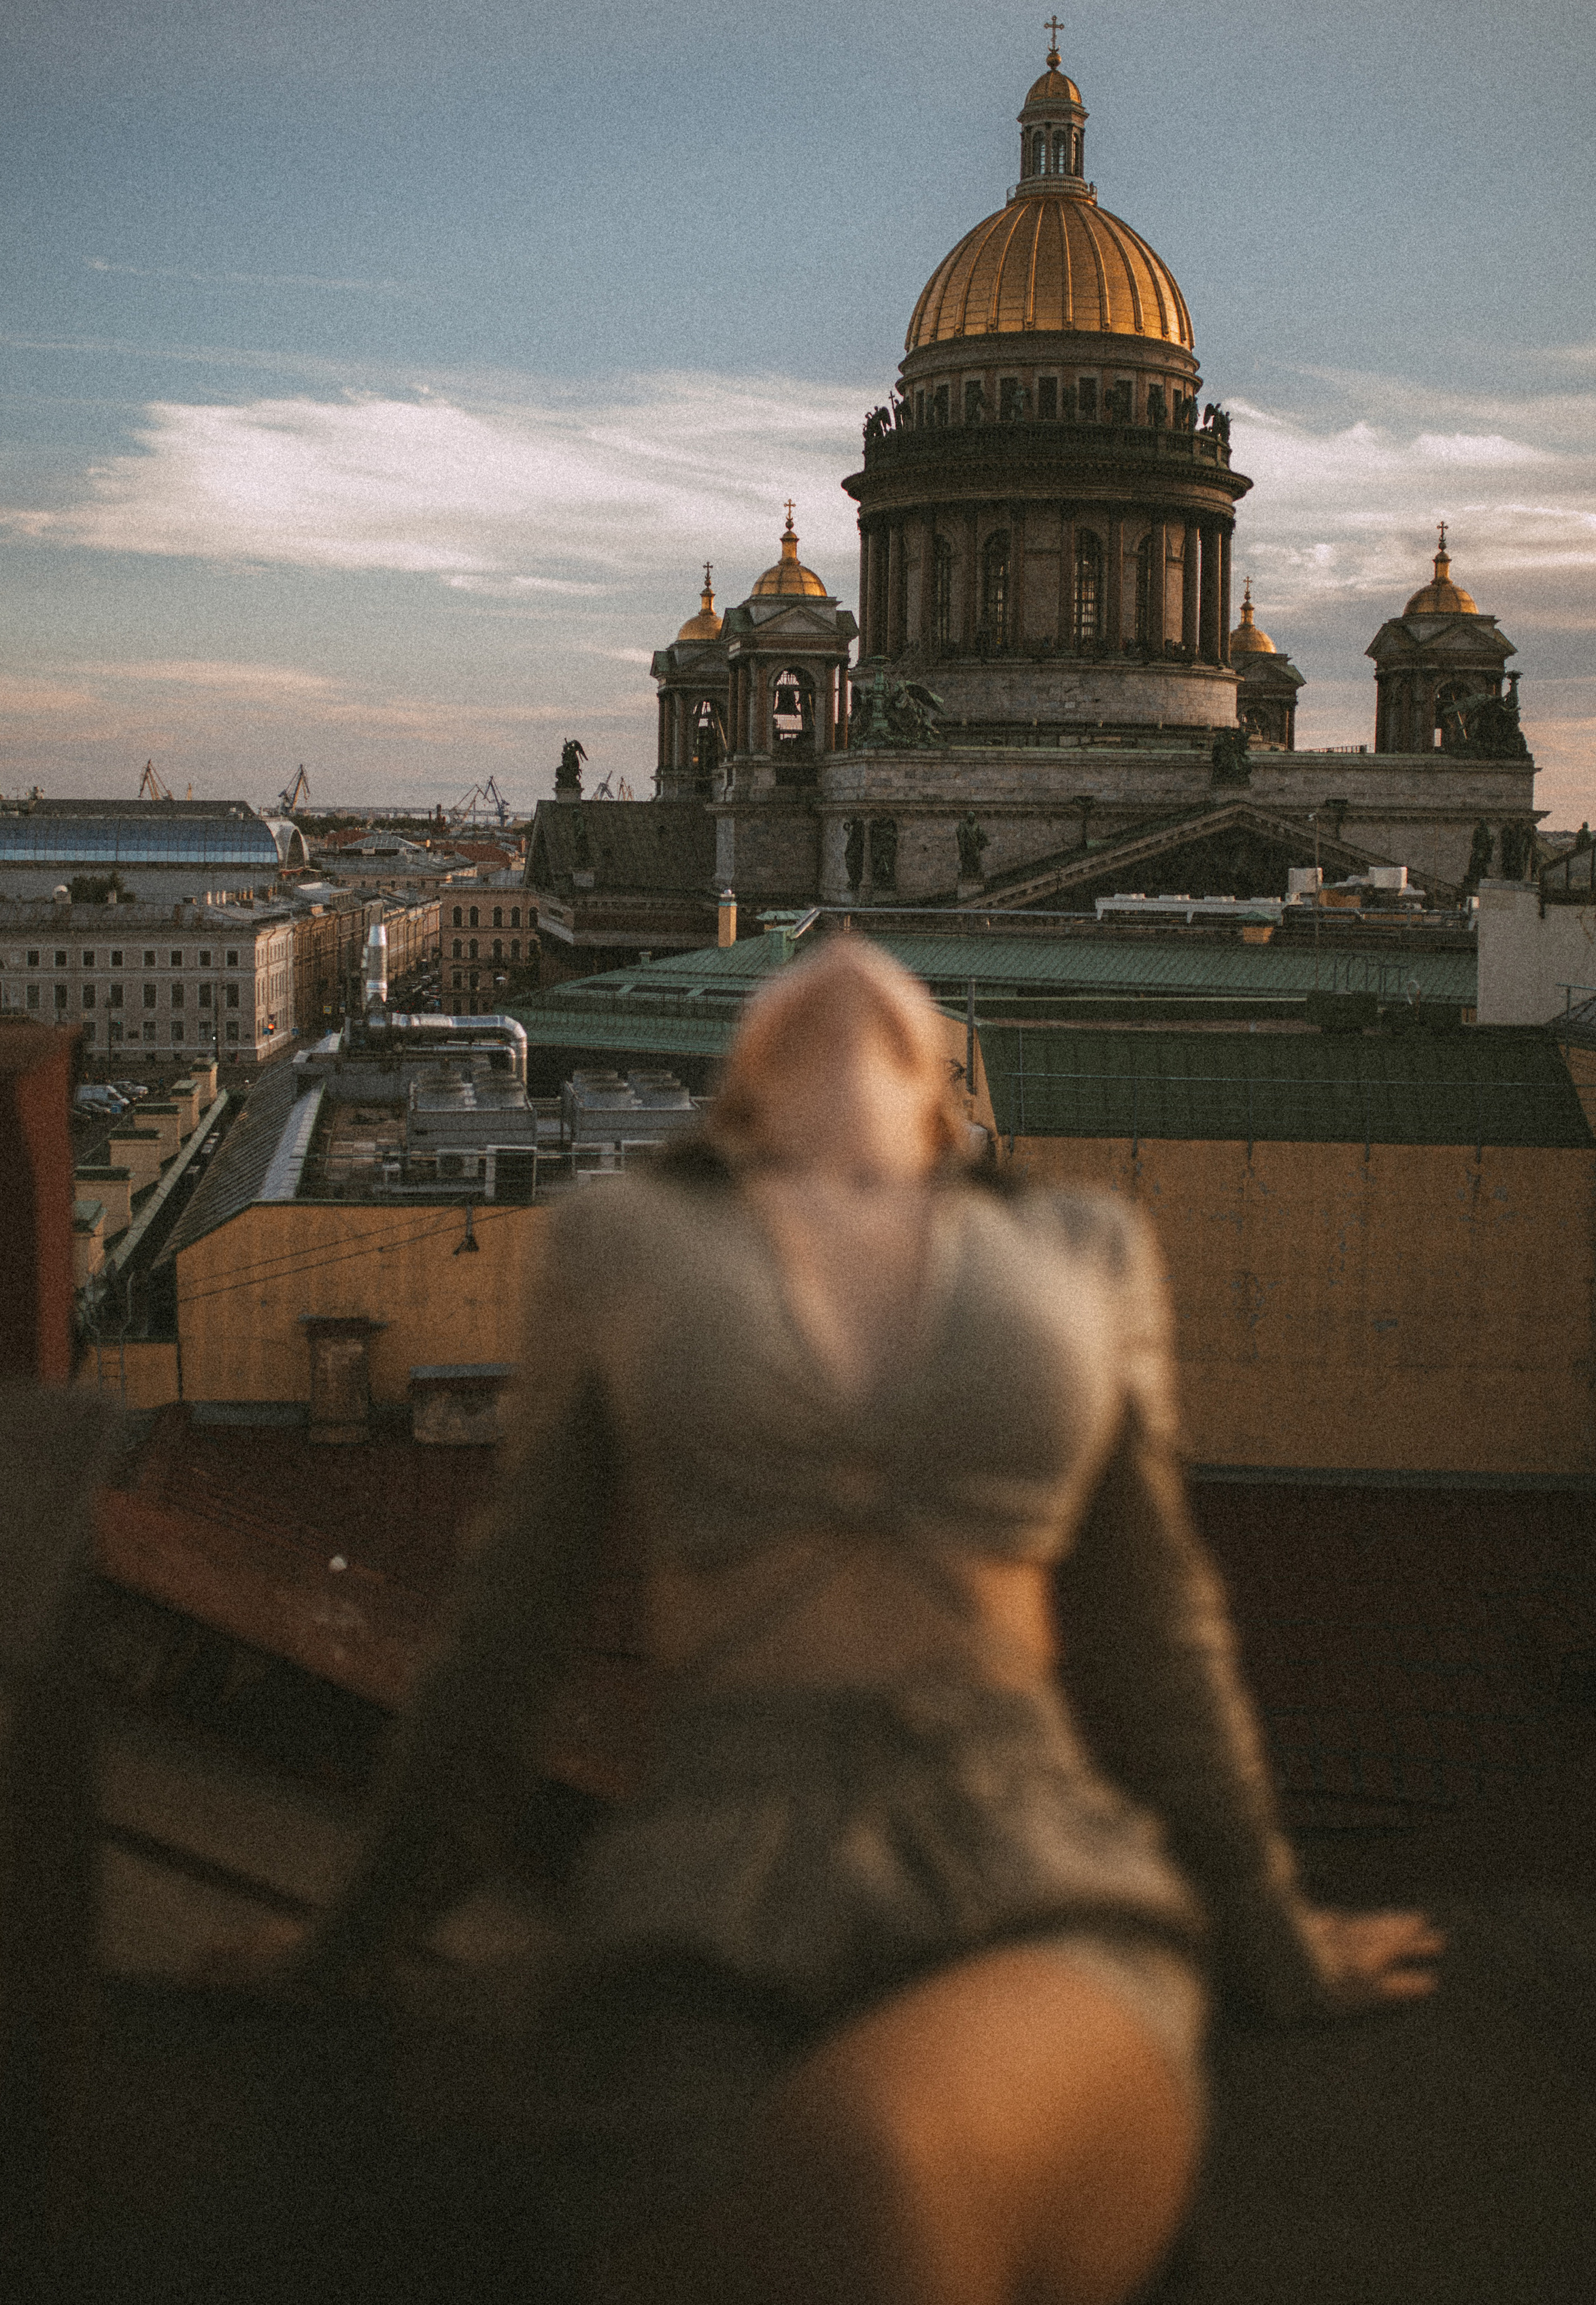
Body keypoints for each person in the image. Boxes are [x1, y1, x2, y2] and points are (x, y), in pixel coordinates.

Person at [292, 940, 1441, 2304]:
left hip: (1041, 1874)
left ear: (948, 1107)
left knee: (879, 2160)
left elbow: (1157, 1630)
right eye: (783, 1010)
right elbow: (504, 1632)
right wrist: (351, 1940)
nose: (842, 957)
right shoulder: (621, 1240)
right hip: (688, 1923)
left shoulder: (1078, 1242)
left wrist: (1267, 1930)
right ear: (733, 1108)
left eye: (898, 1023)